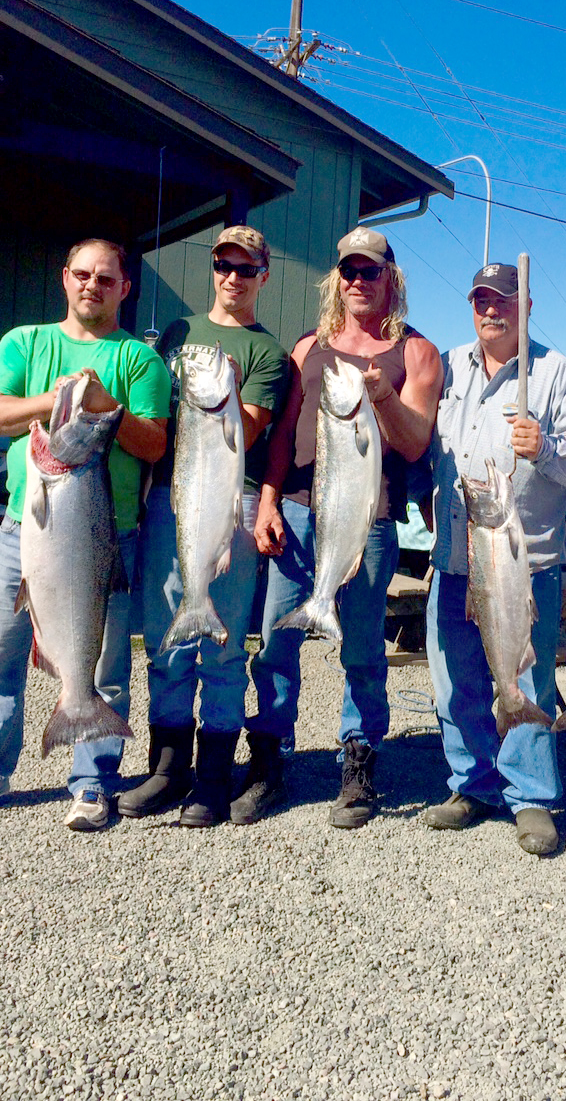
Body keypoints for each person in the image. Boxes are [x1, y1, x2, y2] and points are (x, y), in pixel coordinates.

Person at [0, 239, 171, 831]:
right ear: (64, 279)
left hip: (108, 537)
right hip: (26, 528)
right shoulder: (23, 342)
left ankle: (93, 782)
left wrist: (108, 413)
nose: (92, 286)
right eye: (82, 275)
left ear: (125, 288)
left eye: (106, 278)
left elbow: (154, 444)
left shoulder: (141, 361)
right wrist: (57, 402)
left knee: (102, 664)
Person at [251, 228, 442, 827]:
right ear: (338, 279)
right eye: (350, 272)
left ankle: (358, 762)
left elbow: (414, 445)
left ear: (392, 278)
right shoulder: (308, 348)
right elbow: (283, 435)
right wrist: (268, 501)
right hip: (301, 512)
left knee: (363, 651)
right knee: (276, 640)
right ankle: (267, 761)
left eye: (371, 271)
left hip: (370, 521)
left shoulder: (416, 353)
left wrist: (383, 396)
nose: (359, 281)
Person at [122, 227, 291, 828]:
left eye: (246, 269)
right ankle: (168, 769)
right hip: (172, 496)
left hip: (232, 502)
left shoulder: (267, 353)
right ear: (214, 268)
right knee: (166, 636)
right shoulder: (177, 332)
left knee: (222, 646)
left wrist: (227, 397)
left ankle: (213, 778)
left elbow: (244, 432)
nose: (233, 277)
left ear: (263, 276)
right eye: (224, 265)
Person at [423, 262, 566, 856]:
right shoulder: (448, 365)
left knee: (527, 677)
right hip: (455, 557)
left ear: (526, 304)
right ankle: (472, 785)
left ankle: (532, 797)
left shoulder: (554, 371)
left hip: (526, 564)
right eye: (481, 300)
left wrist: (544, 446)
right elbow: (428, 446)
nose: (491, 310)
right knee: (455, 682)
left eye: (503, 300)